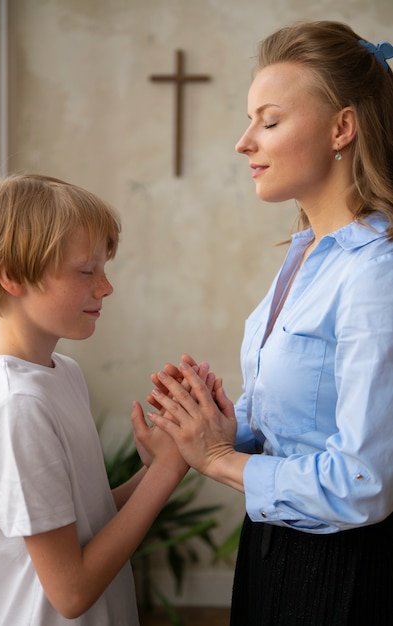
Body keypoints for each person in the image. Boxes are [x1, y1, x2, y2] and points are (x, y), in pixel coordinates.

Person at [144, 20, 393, 626]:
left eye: (270, 120)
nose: (244, 141)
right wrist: (212, 421)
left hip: (347, 577)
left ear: (342, 127)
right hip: (272, 552)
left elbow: (364, 482)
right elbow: (298, 419)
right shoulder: (303, 252)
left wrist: (219, 458)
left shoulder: (376, 275)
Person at [0, 173, 189, 626]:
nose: (105, 287)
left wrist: (155, 469)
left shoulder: (62, 374)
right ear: (12, 277)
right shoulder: (16, 406)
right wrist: (167, 473)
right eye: (86, 271)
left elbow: (84, 521)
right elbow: (71, 592)